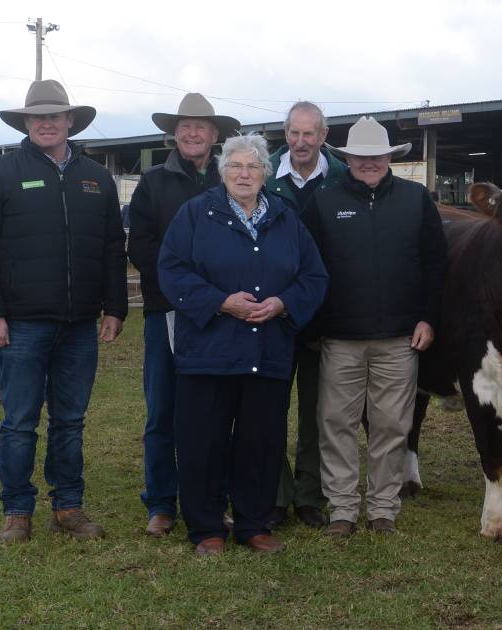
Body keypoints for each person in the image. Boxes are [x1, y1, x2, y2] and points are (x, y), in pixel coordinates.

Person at [0, 79, 128, 544]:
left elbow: (114, 246)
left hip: (78, 324)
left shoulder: (95, 176)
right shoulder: (1, 173)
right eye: (39, 116)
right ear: (26, 122)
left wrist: (115, 306)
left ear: (70, 121)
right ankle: (17, 510)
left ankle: (68, 506)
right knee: (19, 421)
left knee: (71, 420)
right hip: (21, 323)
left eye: (56, 115)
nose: (47, 122)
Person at [158, 133, 327, 555]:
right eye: (235, 166)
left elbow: (314, 276)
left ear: (266, 173)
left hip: (267, 351)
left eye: (253, 166)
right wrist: (221, 302)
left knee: (261, 441)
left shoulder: (286, 217)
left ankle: (254, 523)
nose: (244, 174)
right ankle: (206, 528)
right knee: (202, 441)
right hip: (208, 353)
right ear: (222, 172)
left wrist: (284, 303)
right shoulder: (196, 214)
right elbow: (172, 271)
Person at [304, 116, 447, 538]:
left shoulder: (416, 199)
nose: (369, 163)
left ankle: (384, 508)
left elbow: (436, 265)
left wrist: (429, 318)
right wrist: (315, 325)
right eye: (360, 156)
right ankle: (343, 510)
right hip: (341, 337)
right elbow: (308, 266)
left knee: (391, 426)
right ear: (347, 158)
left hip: (400, 337)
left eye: (376, 155)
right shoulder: (323, 200)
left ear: (389, 157)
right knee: (337, 424)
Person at [127, 93, 240, 537]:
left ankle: (218, 497)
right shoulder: (153, 182)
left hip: (224, 314)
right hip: (168, 312)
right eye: (184, 126)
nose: (192, 133)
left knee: (220, 410)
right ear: (173, 133)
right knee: (163, 409)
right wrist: (190, 291)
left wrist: (217, 297)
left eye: (201, 127)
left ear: (215, 135)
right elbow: (143, 247)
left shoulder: (232, 177)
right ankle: (160, 501)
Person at [264, 101, 348, 529]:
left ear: (323, 137)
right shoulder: (262, 175)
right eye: (293, 134)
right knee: (271, 406)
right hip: (271, 314)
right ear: (286, 135)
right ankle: (276, 495)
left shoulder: (341, 178)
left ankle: (310, 494)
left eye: (309, 134)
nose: (300, 142)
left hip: (321, 316)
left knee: (318, 410)